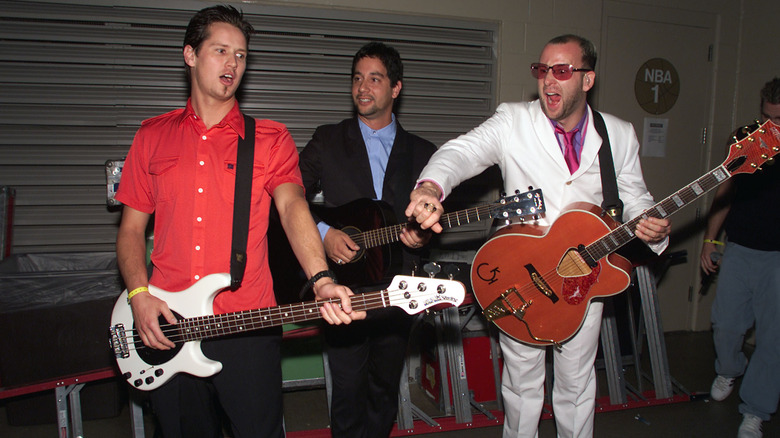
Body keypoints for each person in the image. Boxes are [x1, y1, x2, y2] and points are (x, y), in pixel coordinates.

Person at [405, 34, 671, 438]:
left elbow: (635, 197)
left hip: (583, 276)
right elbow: (462, 152)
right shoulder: (515, 120)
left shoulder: (618, 133)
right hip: (519, 272)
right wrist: (431, 187)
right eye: (542, 70)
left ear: (587, 80)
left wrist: (651, 225)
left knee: (577, 386)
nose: (548, 80)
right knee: (522, 384)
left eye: (562, 71)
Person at [114, 5, 363, 437]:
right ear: (190, 55)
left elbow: (292, 208)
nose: (232, 64)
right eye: (221, 51)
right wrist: (138, 294)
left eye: (242, 55)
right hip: (169, 321)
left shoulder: (269, 139)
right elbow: (131, 230)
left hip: (246, 323)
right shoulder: (152, 136)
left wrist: (322, 280)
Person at [298, 42, 437, 437]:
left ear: (396, 88)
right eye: (357, 78)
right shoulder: (327, 140)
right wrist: (322, 234)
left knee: (383, 385)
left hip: (398, 287)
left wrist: (420, 235)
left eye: (374, 79)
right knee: (346, 386)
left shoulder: (425, 153)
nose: (363, 87)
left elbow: (433, 218)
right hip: (342, 285)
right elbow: (288, 197)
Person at [700, 77, 780, 438]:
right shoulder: (748, 138)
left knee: (772, 339)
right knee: (726, 325)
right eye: (767, 117)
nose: (771, 126)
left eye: (779, 120)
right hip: (740, 248)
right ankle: (730, 368)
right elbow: (726, 189)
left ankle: (756, 410)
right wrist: (711, 240)